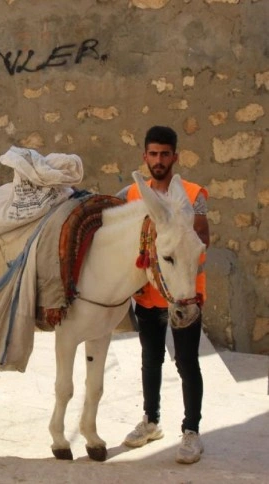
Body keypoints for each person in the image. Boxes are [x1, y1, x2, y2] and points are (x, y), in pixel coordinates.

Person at [116, 126, 210, 464]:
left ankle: (191, 431)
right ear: (145, 157)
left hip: (184, 295)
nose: (159, 160)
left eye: (164, 154)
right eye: (153, 154)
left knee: (186, 362)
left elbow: (201, 238)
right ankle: (151, 421)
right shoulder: (130, 194)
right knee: (150, 360)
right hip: (147, 294)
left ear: (175, 156)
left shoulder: (193, 193)